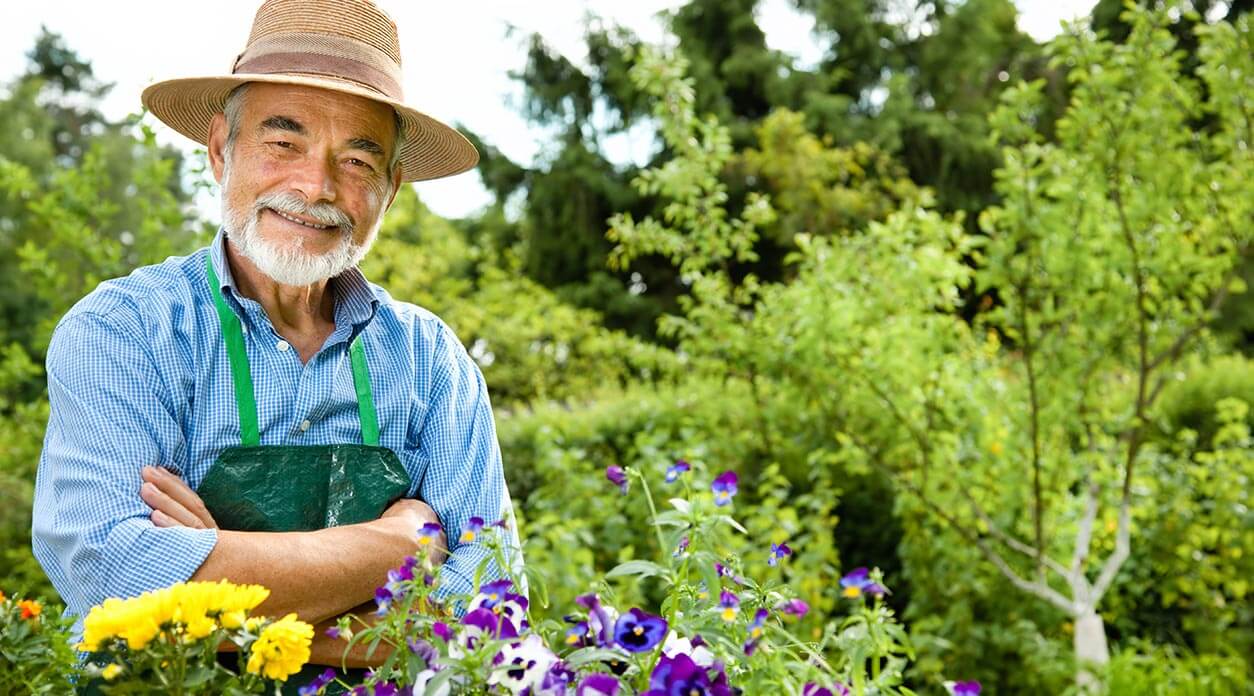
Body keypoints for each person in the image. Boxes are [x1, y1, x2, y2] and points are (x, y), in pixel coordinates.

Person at [30, 0, 520, 678]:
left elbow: (493, 603)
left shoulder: (432, 363)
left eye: (356, 159)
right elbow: (112, 575)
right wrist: (402, 544)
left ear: (391, 189)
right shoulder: (124, 333)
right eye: (283, 143)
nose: (315, 186)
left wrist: (214, 577)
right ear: (219, 150)